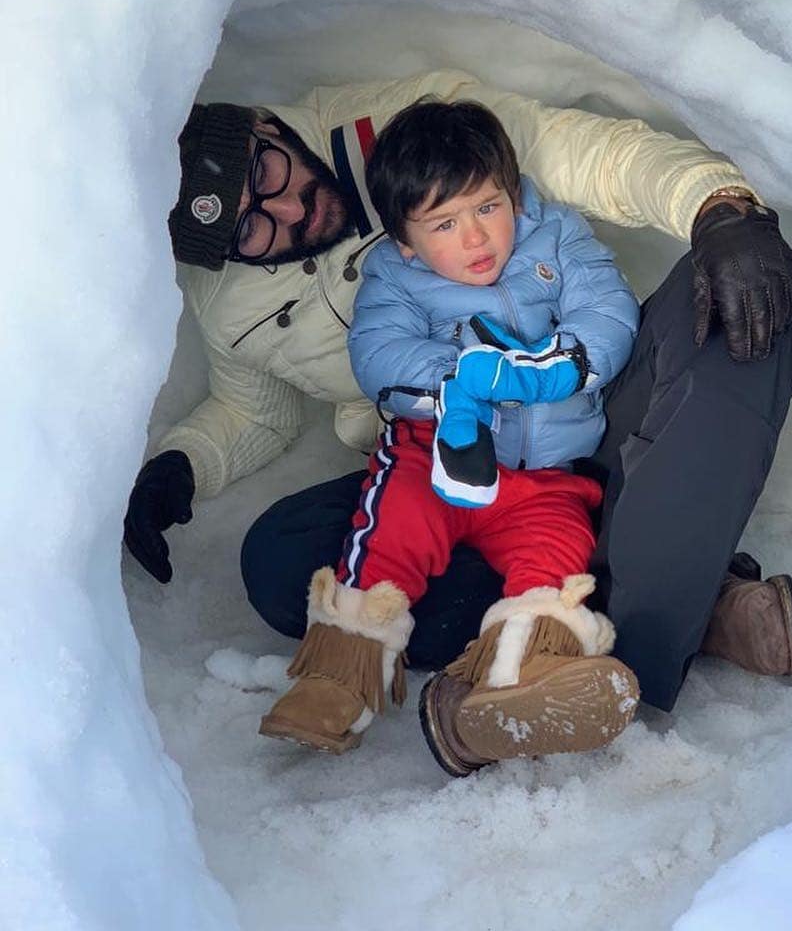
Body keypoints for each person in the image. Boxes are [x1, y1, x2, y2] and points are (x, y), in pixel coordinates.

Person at [125, 67, 792, 723]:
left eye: (267, 173)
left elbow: (592, 156)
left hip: (591, 414)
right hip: (451, 458)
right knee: (281, 559)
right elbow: (252, 413)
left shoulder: (405, 127)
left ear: (263, 126)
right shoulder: (226, 301)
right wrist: (181, 462)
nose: (288, 207)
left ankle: (628, 630)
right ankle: (637, 607)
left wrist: (720, 209)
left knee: (744, 299)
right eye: (252, 227)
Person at [258, 100, 642, 771]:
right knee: (390, 535)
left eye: (489, 207)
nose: (477, 239)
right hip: (437, 458)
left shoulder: (556, 238)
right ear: (407, 240)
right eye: (445, 222)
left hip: (547, 477)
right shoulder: (393, 276)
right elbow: (379, 356)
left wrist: (565, 365)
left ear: (513, 194)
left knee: (555, 565)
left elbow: (607, 307)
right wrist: (458, 380)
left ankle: (519, 682)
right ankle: (338, 678)